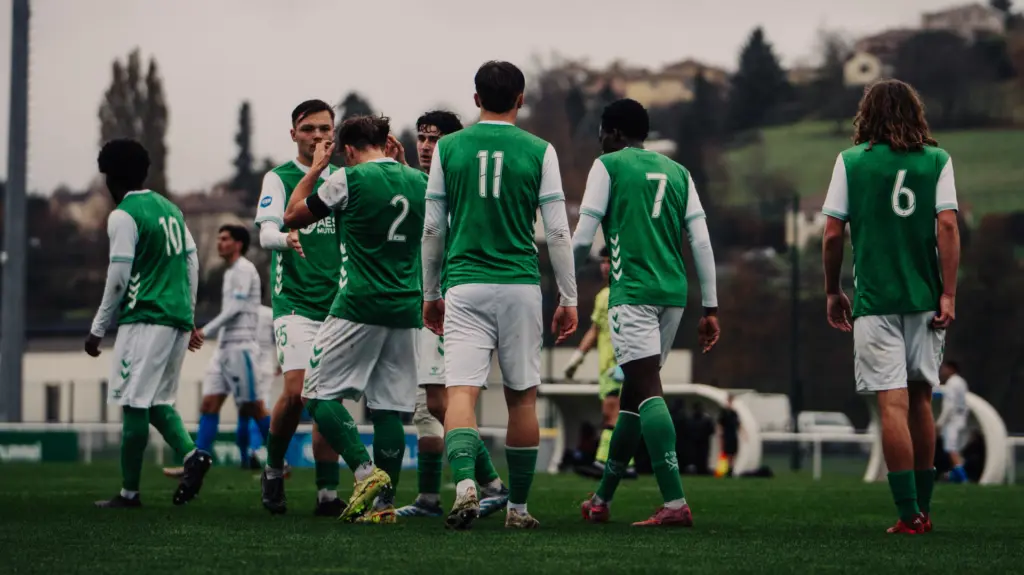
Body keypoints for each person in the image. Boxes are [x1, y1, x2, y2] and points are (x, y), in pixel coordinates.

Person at [421, 60, 578, 530]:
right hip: (519, 287)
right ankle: (518, 510)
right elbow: (557, 231)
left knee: (462, 393)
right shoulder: (540, 150)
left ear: (475, 99)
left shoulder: (449, 147)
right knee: (522, 400)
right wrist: (568, 297)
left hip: (464, 285)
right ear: (520, 98)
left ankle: (466, 484)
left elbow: (433, 228)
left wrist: (431, 292)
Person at [821, 79, 960, 534]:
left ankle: (907, 515)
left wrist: (832, 290)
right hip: (925, 298)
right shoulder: (938, 160)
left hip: (876, 301)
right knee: (922, 400)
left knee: (892, 405)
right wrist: (949, 293)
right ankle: (926, 509)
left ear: (867, 115)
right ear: (915, 113)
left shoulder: (850, 162)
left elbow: (831, 234)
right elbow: (948, 227)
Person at [573, 98, 720, 527]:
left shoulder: (609, 166)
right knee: (634, 400)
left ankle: (674, 503)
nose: (600, 140)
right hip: (673, 296)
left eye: (602, 132)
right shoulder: (679, 172)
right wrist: (709, 307)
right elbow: (702, 242)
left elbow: (583, 237)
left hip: (633, 293)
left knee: (647, 390)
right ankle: (601, 499)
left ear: (615, 133)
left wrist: (562, 279)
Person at [282, 114, 428, 524]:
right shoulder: (420, 182)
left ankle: (365, 474)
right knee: (388, 409)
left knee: (316, 394)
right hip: (406, 308)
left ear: (347, 149)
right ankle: (384, 509)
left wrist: (313, 169)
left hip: (359, 303)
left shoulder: (348, 179)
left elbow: (292, 216)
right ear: (387, 141)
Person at [86, 138, 212, 508]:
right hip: (174, 319)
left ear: (109, 177)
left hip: (145, 319)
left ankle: (129, 493)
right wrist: (187, 318)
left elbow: (119, 276)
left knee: (133, 402)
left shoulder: (124, 214)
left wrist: (97, 328)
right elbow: (192, 264)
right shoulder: (171, 209)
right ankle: (193, 455)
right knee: (156, 400)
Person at [396, 110, 509, 519]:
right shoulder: (425, 183)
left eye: (435, 139)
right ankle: (429, 497)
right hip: (421, 299)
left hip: (447, 302)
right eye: (422, 138)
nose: (427, 146)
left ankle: (494, 485)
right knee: (426, 409)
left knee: (442, 402)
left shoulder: (458, 187)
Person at [255, 99, 344, 516]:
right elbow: (266, 233)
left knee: (329, 397)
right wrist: (285, 239)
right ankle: (273, 469)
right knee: (296, 391)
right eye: (309, 129)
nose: (319, 136)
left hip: (337, 303)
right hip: (293, 300)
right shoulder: (278, 178)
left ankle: (328, 494)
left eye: (325, 129)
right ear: (293, 134)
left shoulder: (345, 180)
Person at [564, 247, 636, 480]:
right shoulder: (603, 296)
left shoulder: (627, 294)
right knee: (620, 415)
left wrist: (627, 361)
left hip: (622, 366)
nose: (605, 266)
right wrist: (577, 358)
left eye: (609, 260)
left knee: (611, 413)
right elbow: (595, 330)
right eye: (603, 261)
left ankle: (603, 461)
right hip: (607, 368)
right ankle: (627, 464)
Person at [937, 360, 970, 483]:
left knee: (951, 450)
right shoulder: (961, 382)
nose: (942, 372)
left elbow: (949, 406)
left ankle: (963, 478)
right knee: (956, 450)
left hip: (953, 421)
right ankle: (953, 476)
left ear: (951, 369)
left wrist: (940, 423)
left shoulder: (951, 383)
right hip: (961, 419)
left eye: (944, 369)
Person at [717, 395, 740, 475]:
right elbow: (720, 424)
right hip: (726, 434)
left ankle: (731, 468)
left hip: (733, 434)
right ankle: (725, 469)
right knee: (726, 452)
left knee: (733, 453)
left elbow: (738, 424)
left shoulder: (734, 413)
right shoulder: (724, 412)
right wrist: (720, 434)